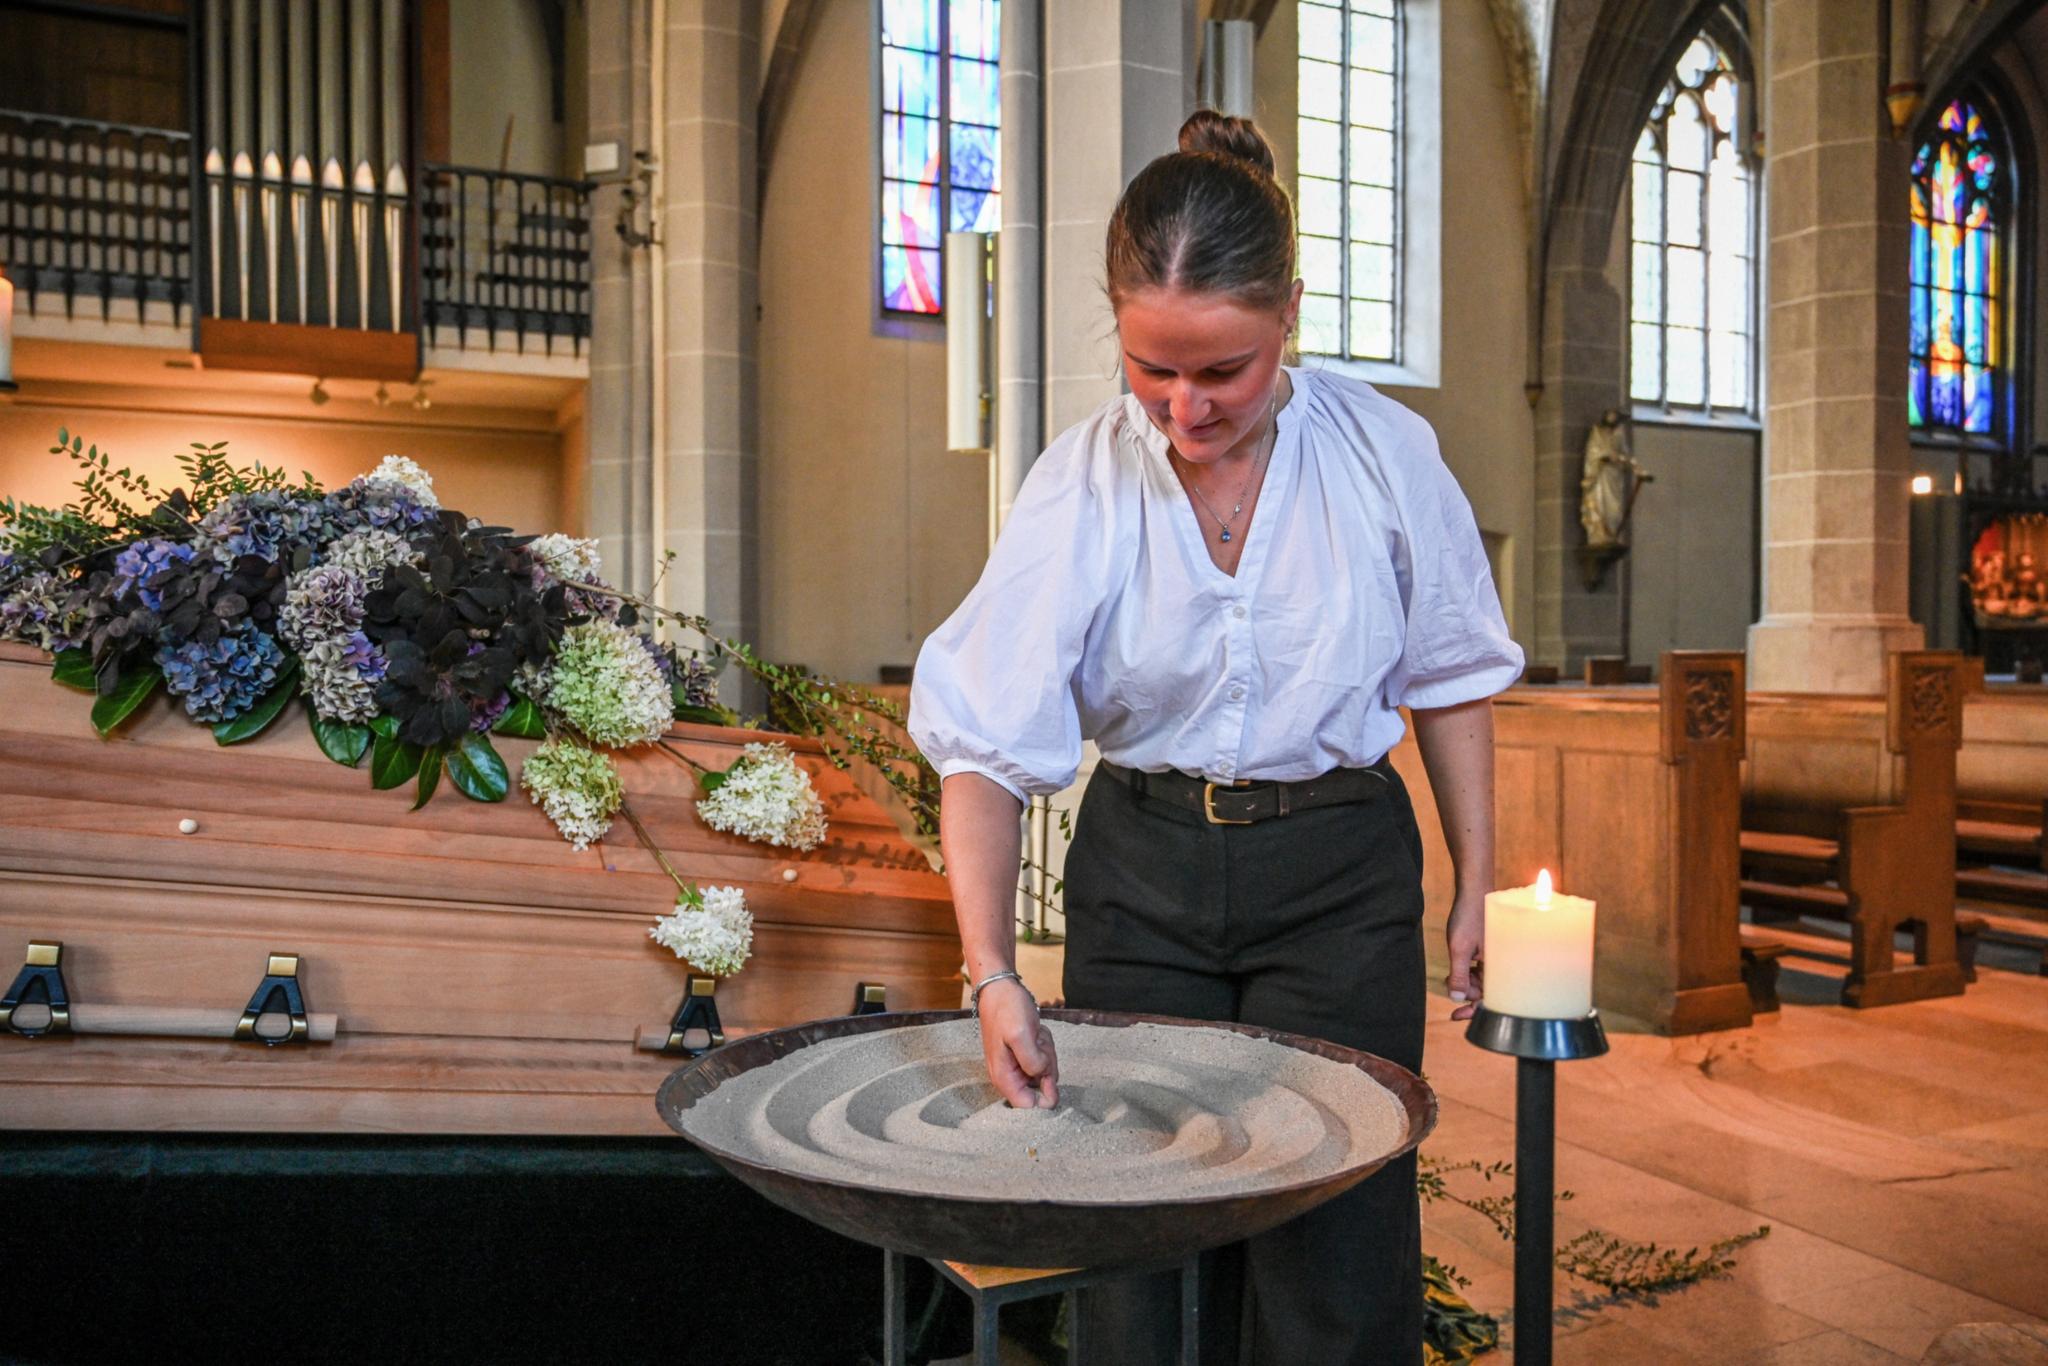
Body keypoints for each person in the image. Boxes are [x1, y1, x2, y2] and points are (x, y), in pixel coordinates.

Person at [908, 109, 1523, 1366]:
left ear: (1288, 312)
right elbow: (983, 738)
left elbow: (1452, 673)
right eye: (1151, 368)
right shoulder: (1079, 480)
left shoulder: (1385, 454)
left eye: (1221, 371)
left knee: (1335, 1239)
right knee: (1143, 1236)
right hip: (1141, 871)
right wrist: (990, 972)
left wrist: (1475, 883)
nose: (1183, 406)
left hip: (1339, 870)